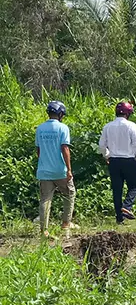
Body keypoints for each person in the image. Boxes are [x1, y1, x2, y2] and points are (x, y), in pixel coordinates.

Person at [99, 101, 136, 224]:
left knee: (117, 189)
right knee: (135, 186)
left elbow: (101, 145)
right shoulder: (131, 126)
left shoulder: (107, 126)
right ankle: (127, 206)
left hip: (114, 161)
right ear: (128, 113)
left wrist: (107, 155)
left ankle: (119, 218)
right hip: (129, 160)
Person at [35, 100, 75, 236]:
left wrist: (44, 163)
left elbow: (38, 150)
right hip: (60, 170)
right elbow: (65, 149)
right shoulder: (63, 128)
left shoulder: (40, 128)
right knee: (69, 194)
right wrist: (69, 169)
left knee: (45, 199)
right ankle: (65, 224)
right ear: (60, 114)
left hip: (44, 171)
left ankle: (44, 230)